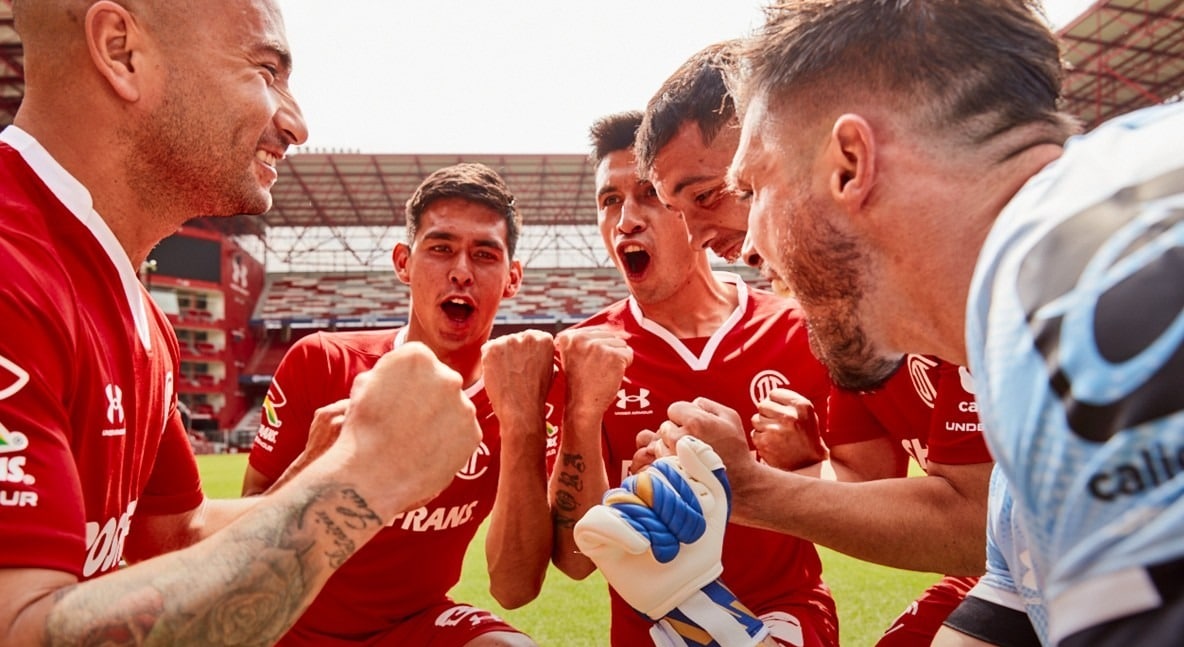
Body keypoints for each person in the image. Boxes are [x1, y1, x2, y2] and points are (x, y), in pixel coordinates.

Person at [701, 1, 1184, 646]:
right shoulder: (1040, 301)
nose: (750, 245)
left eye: (756, 187)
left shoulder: (1079, 291)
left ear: (849, 163)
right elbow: (1001, 617)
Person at [0, 1, 482, 645]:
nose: (297, 122)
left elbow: (173, 537)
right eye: (266, 70)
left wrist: (313, 475)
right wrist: (362, 478)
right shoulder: (12, 272)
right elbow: (20, 629)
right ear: (121, 50)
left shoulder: (136, 310)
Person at [635, 39, 995, 646]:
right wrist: (800, 467)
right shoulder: (837, 316)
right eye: (679, 209)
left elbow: (979, 520)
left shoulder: (962, 263)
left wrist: (749, 489)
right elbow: (865, 482)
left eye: (719, 192)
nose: (699, 237)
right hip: (1010, 570)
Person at [547, 110, 838, 646]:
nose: (626, 220)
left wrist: (806, 467)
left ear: (690, 204)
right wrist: (585, 422)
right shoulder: (582, 353)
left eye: (648, 195)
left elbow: (868, 490)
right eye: (609, 201)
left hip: (785, 612)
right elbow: (572, 559)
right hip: (646, 630)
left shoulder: (800, 329)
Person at [242, 163, 554, 646]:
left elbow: (514, 589)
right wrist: (316, 471)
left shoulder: (522, 394)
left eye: (485, 254)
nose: (461, 271)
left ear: (512, 278)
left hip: (414, 627)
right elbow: (240, 539)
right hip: (289, 626)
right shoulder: (322, 363)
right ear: (404, 263)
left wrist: (521, 425)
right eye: (441, 248)